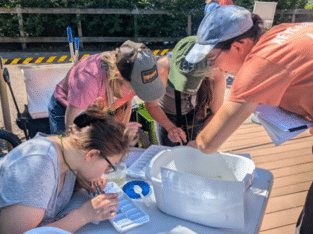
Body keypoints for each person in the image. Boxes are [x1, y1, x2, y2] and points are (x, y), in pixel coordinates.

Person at [185, 5, 313, 233]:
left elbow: (208, 143)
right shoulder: (280, 32)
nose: (213, 68)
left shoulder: (259, 64)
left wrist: (191, 148)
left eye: (212, 59)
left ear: (239, 45)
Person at [0, 103, 137, 234]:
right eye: (109, 166)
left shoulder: (71, 153)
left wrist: (80, 182)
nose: (106, 172)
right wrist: (84, 215)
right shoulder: (39, 167)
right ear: (92, 154)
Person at [48, 40, 165, 134]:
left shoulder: (135, 68)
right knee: (73, 155)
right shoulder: (88, 79)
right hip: (68, 109)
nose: (139, 91)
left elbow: (127, 100)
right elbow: (72, 130)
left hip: (100, 107)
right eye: (138, 87)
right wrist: (112, 132)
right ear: (119, 76)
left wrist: (122, 129)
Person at [145, 36, 226, 146]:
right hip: (167, 115)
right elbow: (151, 105)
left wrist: (201, 138)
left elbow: (215, 113)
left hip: (198, 114)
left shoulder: (217, 71)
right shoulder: (162, 68)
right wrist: (170, 128)